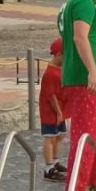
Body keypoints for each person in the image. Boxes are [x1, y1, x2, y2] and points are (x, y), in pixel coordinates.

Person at [57, 0, 96, 191]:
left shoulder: (77, 2)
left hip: (85, 77)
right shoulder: (83, 2)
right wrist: (92, 72)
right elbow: (80, 37)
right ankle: (77, 188)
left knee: (95, 131)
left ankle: (90, 182)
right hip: (84, 78)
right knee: (85, 132)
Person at [39, 38, 68, 181]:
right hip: (51, 110)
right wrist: (59, 112)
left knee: (60, 135)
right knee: (49, 137)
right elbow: (51, 96)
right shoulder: (50, 73)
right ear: (58, 54)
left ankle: (55, 161)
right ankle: (48, 167)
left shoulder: (60, 69)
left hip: (60, 108)